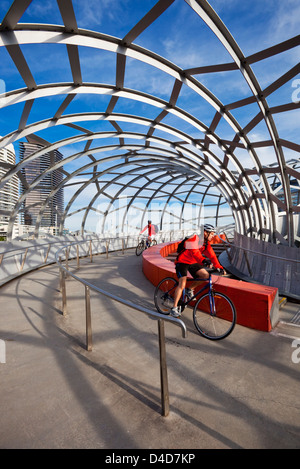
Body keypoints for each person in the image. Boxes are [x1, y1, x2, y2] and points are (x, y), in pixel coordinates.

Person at [170, 224, 226, 318]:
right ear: (205, 233)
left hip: (192, 262)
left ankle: (190, 289)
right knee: (182, 284)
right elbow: (195, 252)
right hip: (182, 262)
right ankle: (174, 308)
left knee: (205, 276)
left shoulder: (205, 244)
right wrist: (204, 261)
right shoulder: (193, 239)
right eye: (211, 234)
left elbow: (212, 256)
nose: (213, 236)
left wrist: (219, 267)